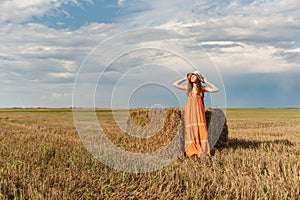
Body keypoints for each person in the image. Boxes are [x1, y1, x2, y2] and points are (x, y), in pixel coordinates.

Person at [172, 71, 219, 158]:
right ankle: (192, 151)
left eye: (194, 75)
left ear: (198, 77)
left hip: (199, 112)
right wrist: (184, 78)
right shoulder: (188, 88)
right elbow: (175, 84)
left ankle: (202, 151)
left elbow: (216, 89)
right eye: (191, 76)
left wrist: (206, 81)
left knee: (201, 129)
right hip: (190, 111)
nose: (192, 77)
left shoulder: (202, 88)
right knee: (191, 130)